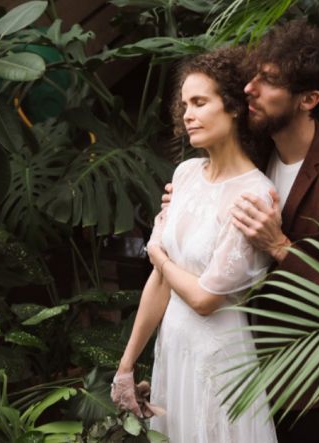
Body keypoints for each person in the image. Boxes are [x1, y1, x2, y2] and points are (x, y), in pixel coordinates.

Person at [161, 21, 319, 442]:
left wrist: (280, 246)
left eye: (269, 81)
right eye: (254, 74)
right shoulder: (257, 151)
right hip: (250, 369)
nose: (249, 88)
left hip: (314, 387)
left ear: (308, 99)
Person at [111, 48, 278, 443]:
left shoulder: (255, 195)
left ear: (233, 107)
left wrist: (161, 260)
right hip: (174, 351)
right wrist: (127, 365)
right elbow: (160, 281)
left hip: (217, 362)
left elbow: (206, 300)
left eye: (200, 102)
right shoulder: (185, 174)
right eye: (184, 104)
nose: (187, 114)